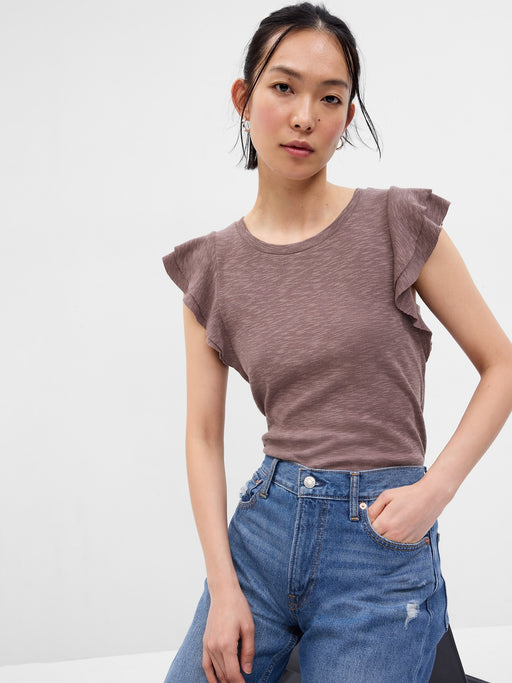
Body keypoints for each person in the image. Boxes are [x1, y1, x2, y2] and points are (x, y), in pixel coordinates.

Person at [161, 3, 512, 682]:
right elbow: (202, 435)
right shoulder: (211, 267)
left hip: (379, 540)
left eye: (330, 98)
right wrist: (222, 589)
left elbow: (502, 365)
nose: (304, 116)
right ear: (244, 98)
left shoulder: (398, 224)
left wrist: (435, 489)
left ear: (348, 116)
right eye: (283, 87)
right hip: (264, 532)